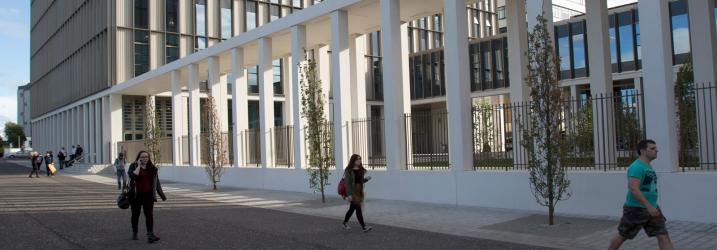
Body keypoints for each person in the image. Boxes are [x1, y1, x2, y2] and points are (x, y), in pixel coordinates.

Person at [608, 140, 674, 250]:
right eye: (652, 148)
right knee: (623, 235)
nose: (656, 150)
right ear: (643, 151)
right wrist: (648, 206)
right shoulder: (637, 167)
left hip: (652, 207)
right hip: (636, 209)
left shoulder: (647, 166)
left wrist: (651, 207)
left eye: (655, 148)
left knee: (663, 235)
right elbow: (633, 188)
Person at [127, 151, 166, 243]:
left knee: (149, 215)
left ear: (149, 158)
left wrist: (161, 195)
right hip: (135, 195)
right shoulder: (133, 166)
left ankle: (150, 234)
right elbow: (132, 176)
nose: (145, 158)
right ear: (139, 158)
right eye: (142, 157)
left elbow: (156, 182)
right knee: (135, 215)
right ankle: (135, 232)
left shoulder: (152, 168)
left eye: (146, 157)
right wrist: (139, 166)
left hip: (148, 195)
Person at [341, 154, 373, 232]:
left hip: (359, 191)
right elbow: (348, 183)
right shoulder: (348, 170)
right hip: (352, 191)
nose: (359, 160)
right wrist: (349, 195)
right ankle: (364, 227)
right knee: (358, 208)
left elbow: (360, 181)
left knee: (352, 209)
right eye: (358, 159)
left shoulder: (361, 169)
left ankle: (344, 222)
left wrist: (366, 179)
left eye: (360, 159)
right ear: (353, 160)